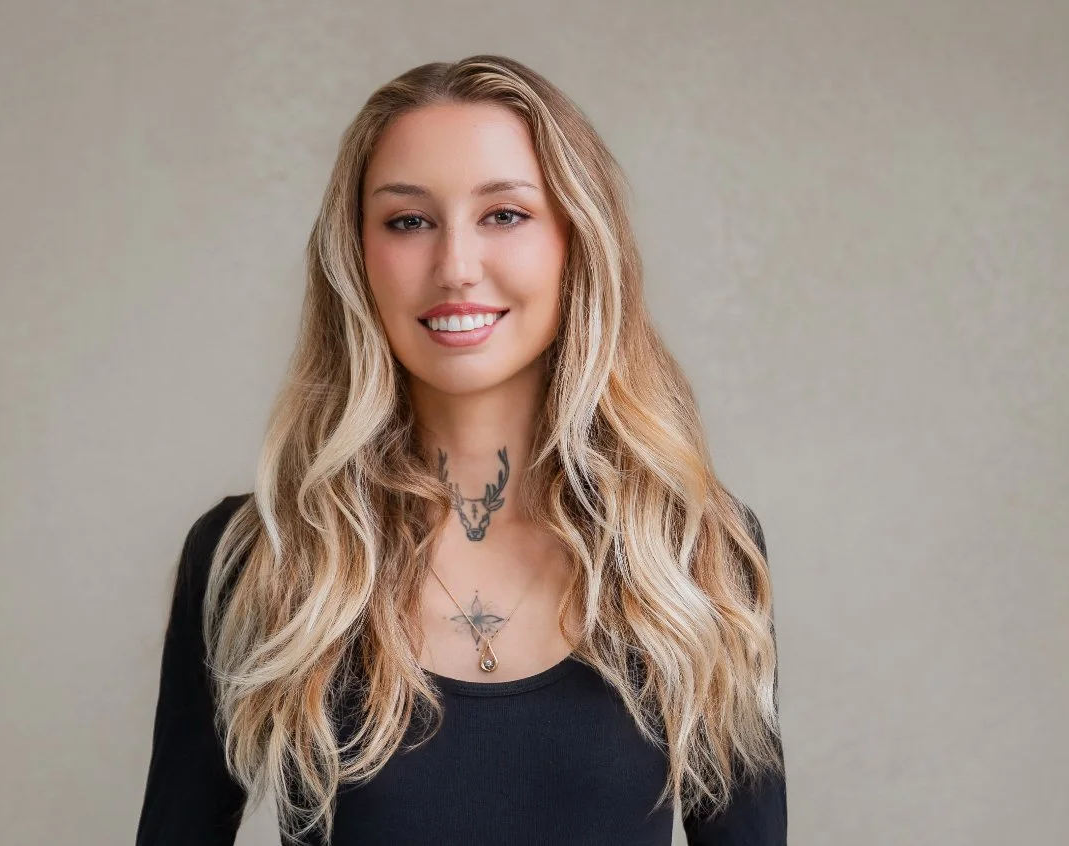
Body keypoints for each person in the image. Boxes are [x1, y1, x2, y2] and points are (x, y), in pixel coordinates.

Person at [136, 54, 786, 845]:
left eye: (504, 215)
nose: (454, 267)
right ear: (357, 257)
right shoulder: (260, 559)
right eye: (408, 221)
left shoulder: (694, 552)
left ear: (575, 241)